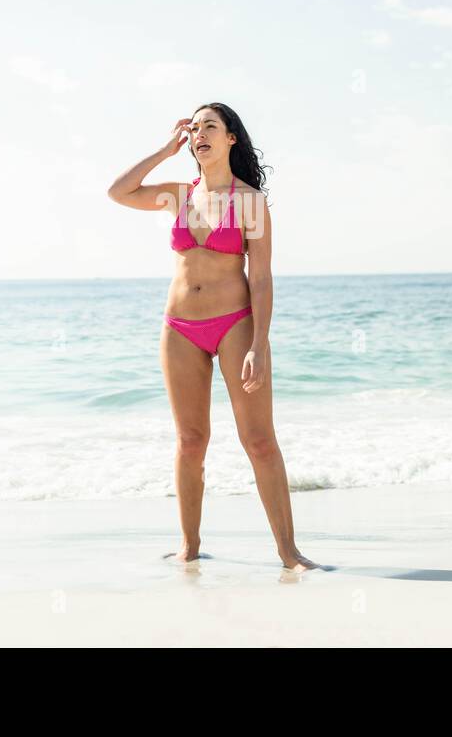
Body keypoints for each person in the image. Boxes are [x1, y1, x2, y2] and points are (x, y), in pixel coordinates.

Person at [108, 104, 319, 572]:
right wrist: (165, 150)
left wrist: (258, 346)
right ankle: (189, 546)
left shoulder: (250, 202)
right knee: (190, 441)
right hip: (178, 327)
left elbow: (261, 277)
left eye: (211, 126)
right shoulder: (176, 196)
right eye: (195, 126)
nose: (200, 132)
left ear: (231, 140)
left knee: (259, 440)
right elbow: (118, 191)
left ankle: (289, 552)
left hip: (234, 323)